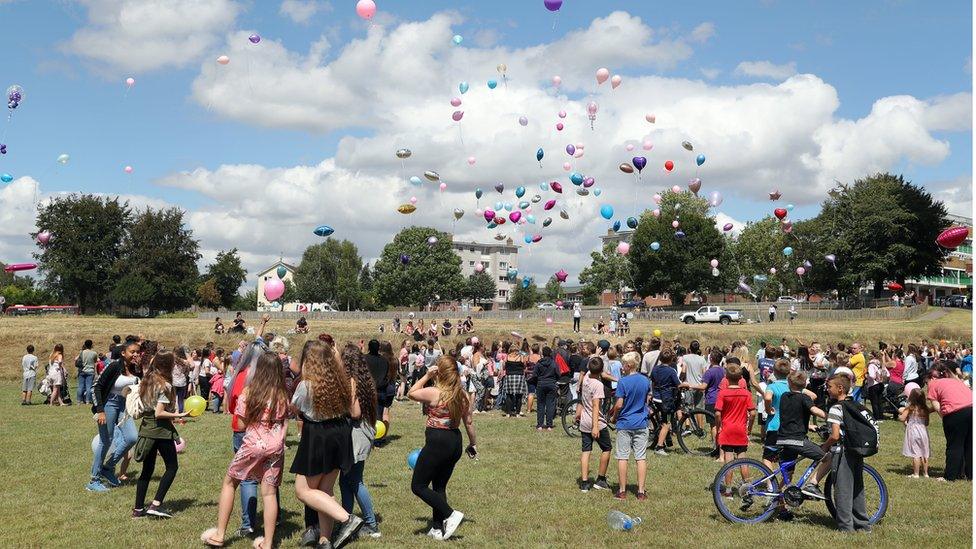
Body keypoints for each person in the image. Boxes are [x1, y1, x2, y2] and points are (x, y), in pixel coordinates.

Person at [201, 350, 288, 549]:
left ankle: (220, 534)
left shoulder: (250, 392)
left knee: (230, 483)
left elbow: (240, 425)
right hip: (275, 447)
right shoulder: (282, 394)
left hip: (253, 444)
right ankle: (267, 542)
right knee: (269, 493)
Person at [291, 340, 364, 549]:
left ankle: (347, 519)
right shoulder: (341, 381)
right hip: (340, 433)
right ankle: (325, 539)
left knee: (303, 491)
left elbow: (295, 409)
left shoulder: (306, 385)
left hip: (318, 435)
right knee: (325, 489)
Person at [408, 356, 477, 540]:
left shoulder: (435, 392)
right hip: (455, 441)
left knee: (418, 486)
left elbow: (411, 393)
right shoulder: (461, 394)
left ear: (439, 372)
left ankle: (451, 514)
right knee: (439, 486)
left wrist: (426, 375)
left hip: (438, 441)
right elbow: (468, 423)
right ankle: (437, 529)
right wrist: (473, 444)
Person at [133, 350, 188, 518]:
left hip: (146, 429)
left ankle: (138, 509)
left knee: (147, 470)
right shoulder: (164, 385)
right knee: (172, 467)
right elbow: (159, 413)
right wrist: (181, 415)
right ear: (168, 365)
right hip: (160, 431)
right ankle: (156, 504)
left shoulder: (147, 380)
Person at [337, 344, 382, 539]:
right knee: (345, 481)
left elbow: (355, 412)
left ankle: (371, 524)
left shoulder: (353, 381)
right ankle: (346, 520)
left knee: (355, 481)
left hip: (357, 433)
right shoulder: (366, 379)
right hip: (362, 432)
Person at [88, 339, 142, 492]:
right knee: (106, 441)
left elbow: (140, 387)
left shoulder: (136, 369)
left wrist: (140, 368)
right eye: (133, 352)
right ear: (124, 353)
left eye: (138, 352)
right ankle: (94, 480)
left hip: (125, 406)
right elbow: (96, 387)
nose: (136, 354)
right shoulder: (113, 366)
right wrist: (100, 410)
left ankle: (108, 467)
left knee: (132, 437)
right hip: (108, 404)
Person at [823, 374, 871, 532]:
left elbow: (835, 435)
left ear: (840, 388)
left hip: (842, 451)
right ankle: (863, 525)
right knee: (858, 488)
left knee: (843, 490)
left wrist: (825, 445)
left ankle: (846, 527)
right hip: (857, 450)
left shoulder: (836, 408)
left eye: (830, 387)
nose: (827, 389)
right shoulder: (857, 405)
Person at [773, 372, 829, 503]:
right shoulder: (804, 398)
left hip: (782, 438)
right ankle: (812, 485)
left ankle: (778, 502)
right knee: (828, 458)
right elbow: (814, 410)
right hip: (796, 439)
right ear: (806, 384)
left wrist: (808, 425)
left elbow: (792, 416)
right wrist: (831, 417)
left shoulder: (784, 396)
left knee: (788, 475)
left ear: (789, 383)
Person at [609, 351, 650, 500]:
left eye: (623, 365)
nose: (622, 368)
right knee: (640, 457)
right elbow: (646, 400)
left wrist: (613, 417)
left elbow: (619, 404)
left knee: (622, 457)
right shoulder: (645, 381)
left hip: (625, 422)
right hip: (641, 422)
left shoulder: (623, 382)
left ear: (628, 365)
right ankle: (640, 491)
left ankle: (622, 490)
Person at [714, 362, 756, 497]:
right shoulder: (746, 393)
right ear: (741, 378)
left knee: (729, 461)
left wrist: (718, 425)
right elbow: (753, 412)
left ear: (726, 377)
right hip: (740, 430)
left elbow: (718, 413)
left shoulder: (723, 393)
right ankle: (748, 488)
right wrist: (749, 428)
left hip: (727, 430)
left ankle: (728, 491)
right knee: (743, 460)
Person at [926, 363, 972, 481]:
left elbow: (937, 406)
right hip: (972, 409)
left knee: (954, 445)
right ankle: (971, 475)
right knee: (970, 445)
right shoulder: (955, 381)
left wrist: (946, 418)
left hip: (955, 414)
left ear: (932, 377)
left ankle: (950, 476)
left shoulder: (933, 384)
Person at [575, 355, 612, 492]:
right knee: (607, 448)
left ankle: (584, 483)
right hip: (596, 422)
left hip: (584, 420)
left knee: (586, 451)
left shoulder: (585, 379)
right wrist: (595, 426)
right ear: (601, 370)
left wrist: (594, 356)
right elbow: (596, 406)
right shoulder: (598, 385)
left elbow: (591, 368)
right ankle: (600, 479)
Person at [762, 360, 792, 472]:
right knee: (787, 459)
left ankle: (771, 484)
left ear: (774, 372)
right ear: (789, 372)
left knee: (768, 457)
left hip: (774, 425)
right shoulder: (793, 387)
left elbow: (768, 398)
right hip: (789, 426)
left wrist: (768, 409)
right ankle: (783, 486)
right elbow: (812, 396)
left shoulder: (772, 386)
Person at [650, 348, 680, 455]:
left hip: (656, 397)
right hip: (666, 399)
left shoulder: (655, 369)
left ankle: (663, 438)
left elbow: (653, 382)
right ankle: (660, 446)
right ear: (671, 359)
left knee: (662, 419)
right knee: (666, 423)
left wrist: (652, 393)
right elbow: (678, 384)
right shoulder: (671, 371)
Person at [899, 388, 931, 478]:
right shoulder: (925, 409)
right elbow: (927, 423)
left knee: (916, 453)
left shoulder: (910, 408)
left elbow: (902, 418)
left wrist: (901, 417)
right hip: (923, 431)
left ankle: (916, 473)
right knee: (925, 452)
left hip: (913, 431)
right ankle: (926, 473)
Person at [533, 346, 560, 430]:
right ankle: (549, 425)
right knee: (550, 405)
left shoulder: (539, 363)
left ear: (542, 354)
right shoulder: (554, 363)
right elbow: (558, 374)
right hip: (551, 384)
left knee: (540, 405)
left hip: (541, 384)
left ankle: (540, 424)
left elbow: (534, 375)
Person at [502, 344, 528, 417]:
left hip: (509, 376)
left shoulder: (507, 357)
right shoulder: (521, 357)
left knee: (508, 394)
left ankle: (508, 412)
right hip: (519, 376)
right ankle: (517, 413)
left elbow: (504, 367)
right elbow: (524, 366)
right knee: (519, 395)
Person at [77, 339, 98, 405]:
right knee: (89, 386)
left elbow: (78, 360)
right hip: (90, 371)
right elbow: (95, 361)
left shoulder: (82, 352)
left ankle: (78, 401)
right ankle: (87, 401)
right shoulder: (94, 353)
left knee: (80, 386)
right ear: (91, 345)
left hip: (82, 370)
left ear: (85, 345)